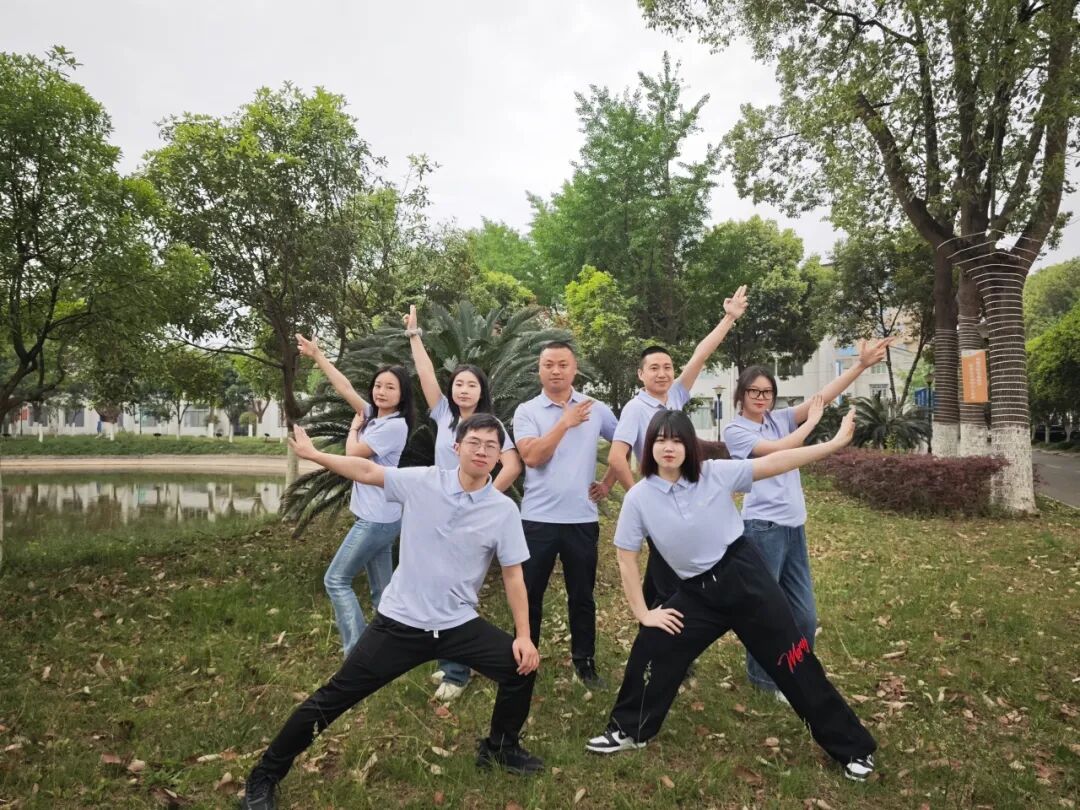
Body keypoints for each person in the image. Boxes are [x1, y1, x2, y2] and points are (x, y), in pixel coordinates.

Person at [241, 415, 542, 810]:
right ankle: (264, 776)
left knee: (521, 667)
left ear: (499, 456)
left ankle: (500, 747)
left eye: (491, 445)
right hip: (401, 623)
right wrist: (314, 454)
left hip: (457, 623)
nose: (482, 451)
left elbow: (513, 575)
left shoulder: (502, 511)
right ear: (457, 447)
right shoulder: (423, 482)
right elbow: (367, 470)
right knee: (333, 698)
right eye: (474, 442)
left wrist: (524, 636)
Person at [585, 409, 877, 782]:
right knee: (654, 642)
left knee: (793, 660)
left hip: (744, 579)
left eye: (676, 440)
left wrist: (833, 444)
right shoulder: (639, 497)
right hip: (697, 592)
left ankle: (854, 748)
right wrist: (644, 613)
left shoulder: (713, 473)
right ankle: (630, 729)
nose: (668, 447)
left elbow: (775, 462)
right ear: (649, 448)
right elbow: (626, 557)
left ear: (689, 446)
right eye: (660, 440)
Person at [722, 338, 892, 699]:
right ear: (741, 395)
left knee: (804, 614)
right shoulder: (736, 430)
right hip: (762, 527)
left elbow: (822, 397)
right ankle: (764, 680)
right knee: (765, 609)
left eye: (767, 392)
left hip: (793, 526)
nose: (761, 397)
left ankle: (796, 672)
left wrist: (861, 365)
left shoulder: (780, 419)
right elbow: (776, 452)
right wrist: (812, 424)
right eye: (754, 391)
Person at [403, 304, 523, 701]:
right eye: (458, 383)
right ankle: (449, 661)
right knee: (435, 584)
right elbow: (425, 375)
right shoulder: (444, 415)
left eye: (471, 384)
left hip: (468, 517)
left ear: (481, 391)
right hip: (438, 511)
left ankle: (457, 671)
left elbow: (512, 464)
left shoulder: (491, 426)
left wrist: (484, 499)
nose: (463, 389)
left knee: (457, 590)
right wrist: (415, 336)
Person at [607, 285, 748, 610]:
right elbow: (616, 457)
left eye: (667, 367)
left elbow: (700, 356)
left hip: (683, 497)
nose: (662, 373)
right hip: (659, 498)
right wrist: (640, 498)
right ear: (641, 374)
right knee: (667, 577)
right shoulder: (635, 408)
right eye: (654, 368)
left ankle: (659, 626)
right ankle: (659, 628)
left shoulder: (674, 397)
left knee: (667, 571)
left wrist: (728, 319)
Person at [296, 334, 415, 657]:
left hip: (377, 520)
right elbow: (346, 388)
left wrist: (352, 428)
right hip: (382, 517)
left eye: (390, 387)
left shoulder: (394, 426)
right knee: (383, 593)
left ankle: (357, 653)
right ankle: (395, 648)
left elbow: (353, 454)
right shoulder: (375, 416)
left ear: (402, 395)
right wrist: (318, 356)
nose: (381, 391)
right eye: (378, 385)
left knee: (336, 580)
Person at [513, 341, 618, 687]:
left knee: (582, 596)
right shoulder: (527, 411)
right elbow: (532, 457)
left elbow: (624, 444)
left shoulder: (595, 408)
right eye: (548, 365)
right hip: (537, 520)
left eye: (562, 364)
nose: (555, 371)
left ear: (575, 369)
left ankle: (584, 663)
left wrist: (608, 482)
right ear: (539, 370)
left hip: (582, 520)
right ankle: (525, 659)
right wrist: (564, 423)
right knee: (530, 594)